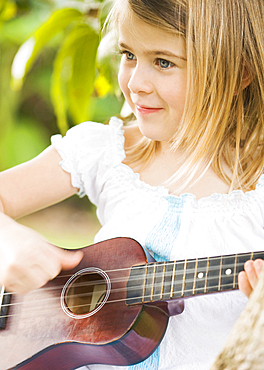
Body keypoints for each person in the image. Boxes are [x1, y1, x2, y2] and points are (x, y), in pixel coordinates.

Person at [1, 0, 264, 369]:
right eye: (128, 54)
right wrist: (7, 242)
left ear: (238, 74)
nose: (136, 83)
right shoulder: (106, 152)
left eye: (163, 62)